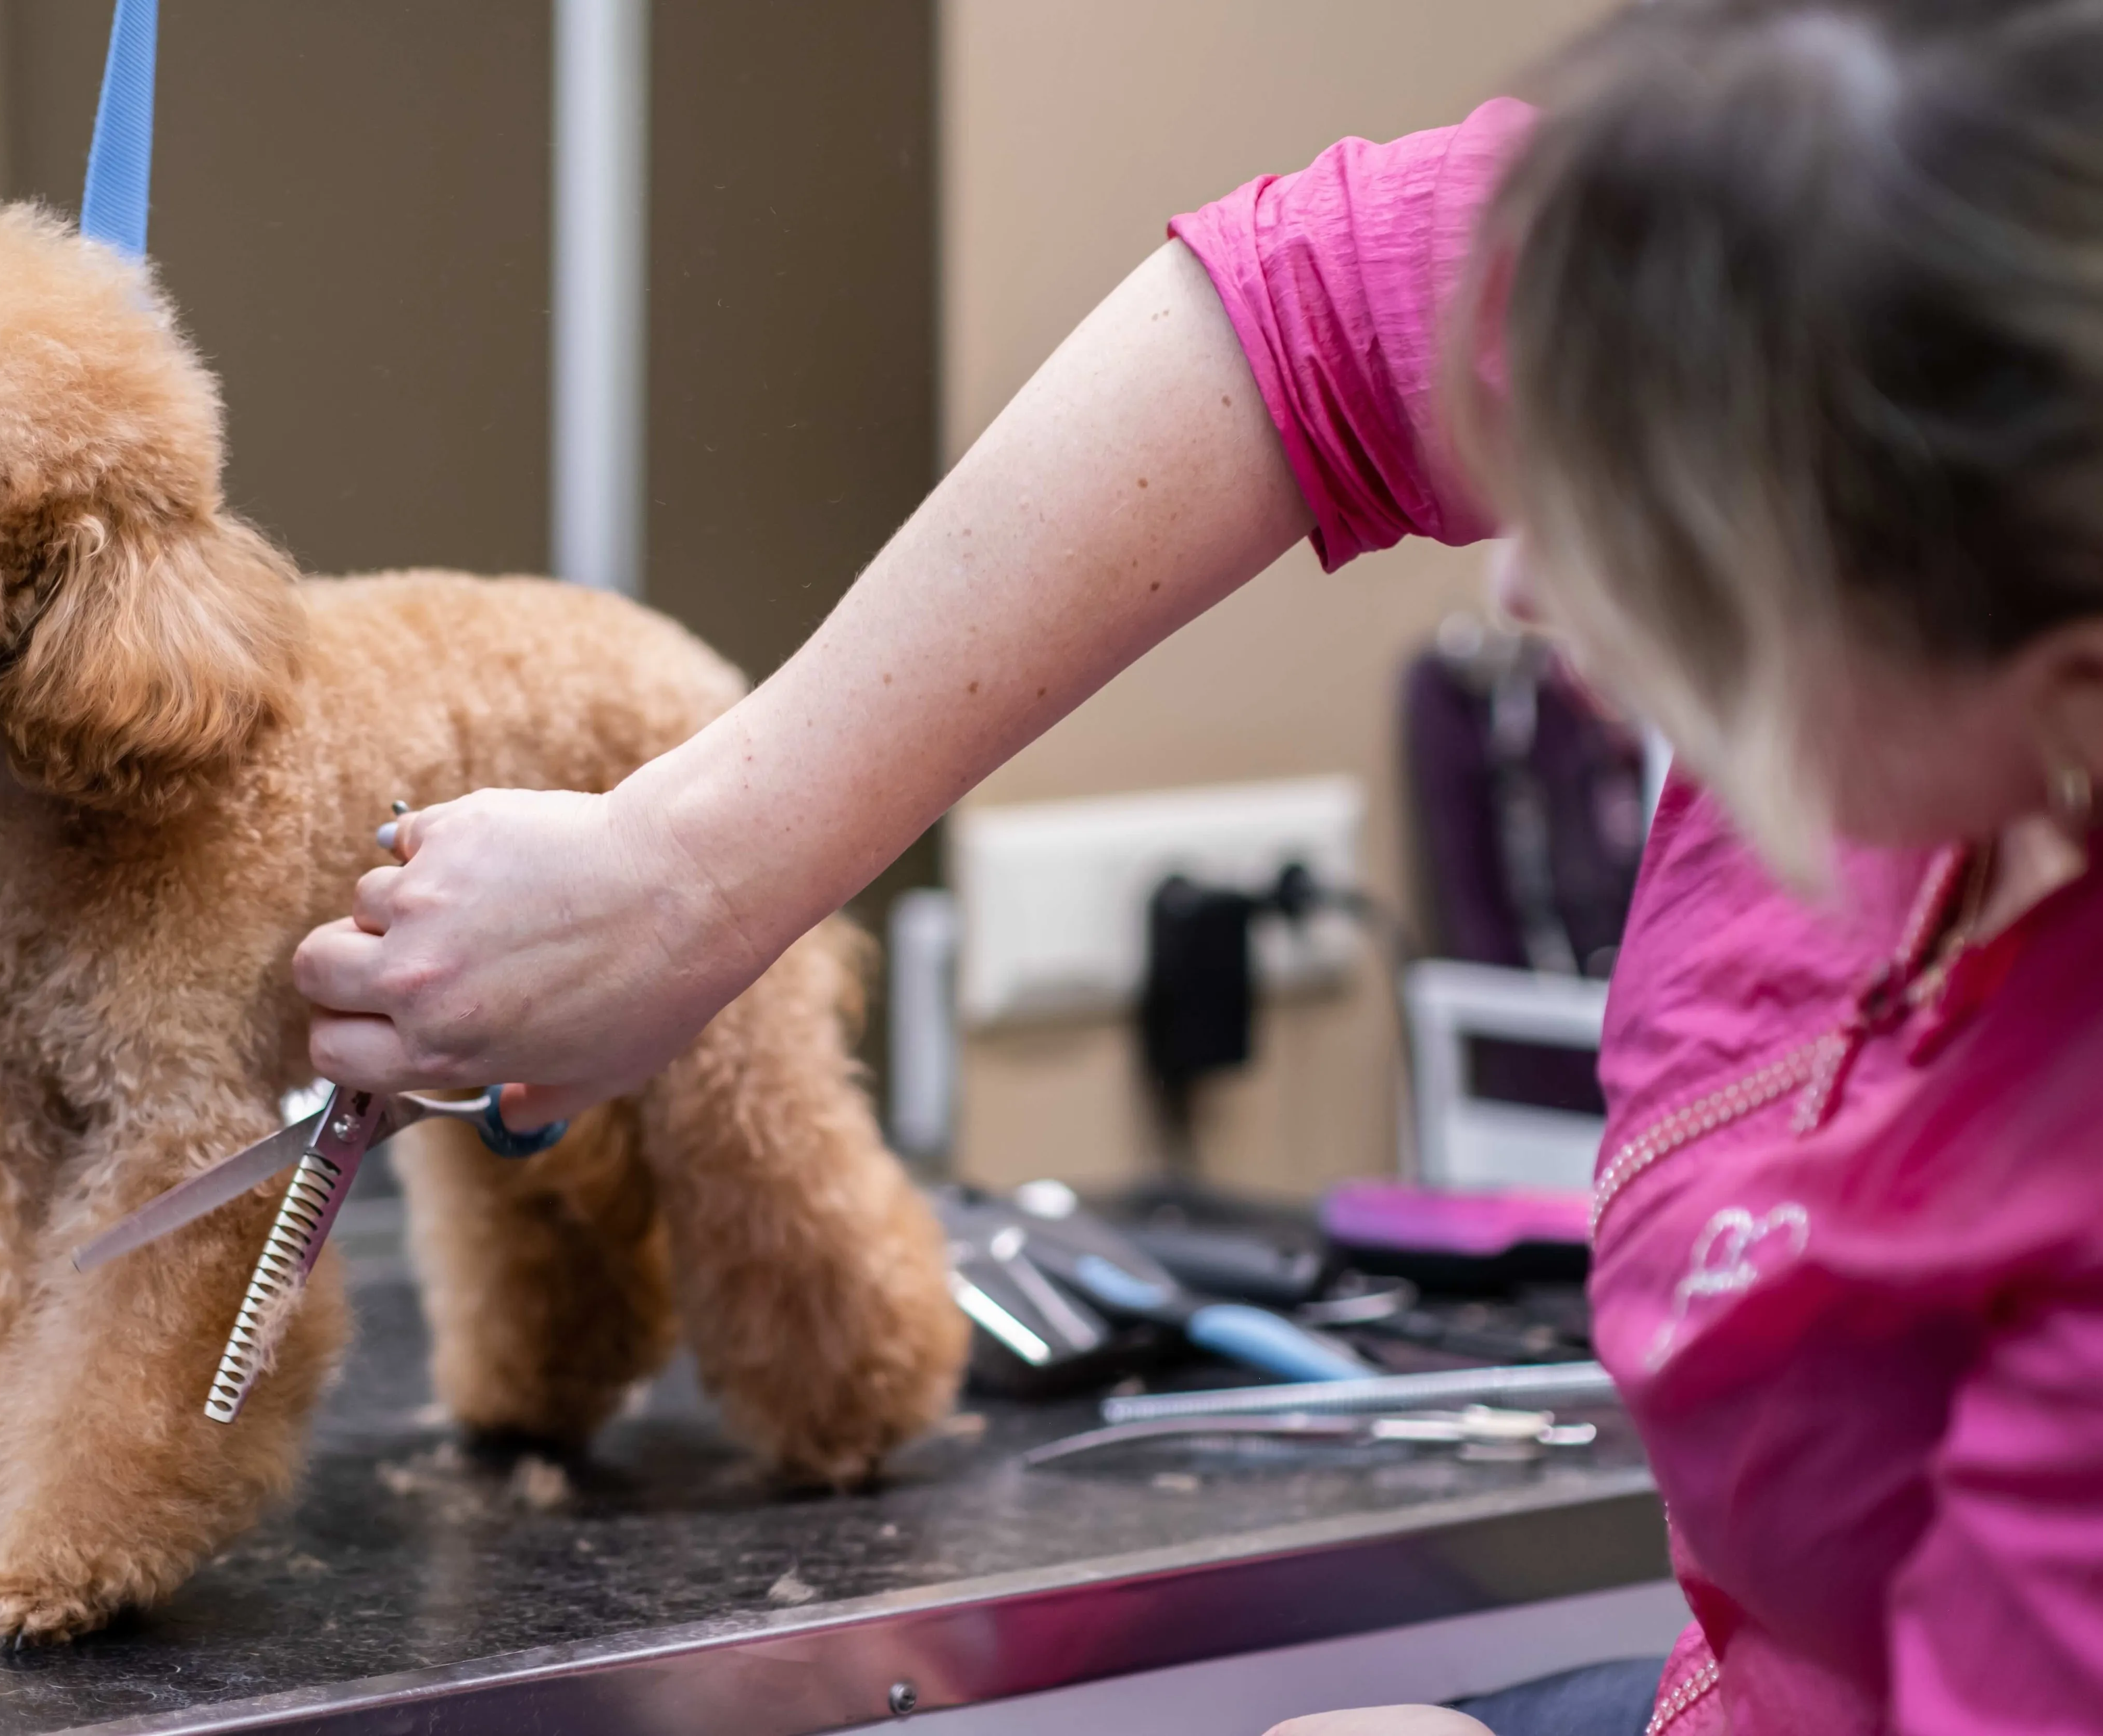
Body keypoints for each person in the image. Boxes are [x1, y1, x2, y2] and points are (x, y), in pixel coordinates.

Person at [296, 3, 2103, 1730]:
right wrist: (687, 874)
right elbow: (1314, 309)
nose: (1522, 592)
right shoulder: (1861, 204)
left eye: (1679, 561)